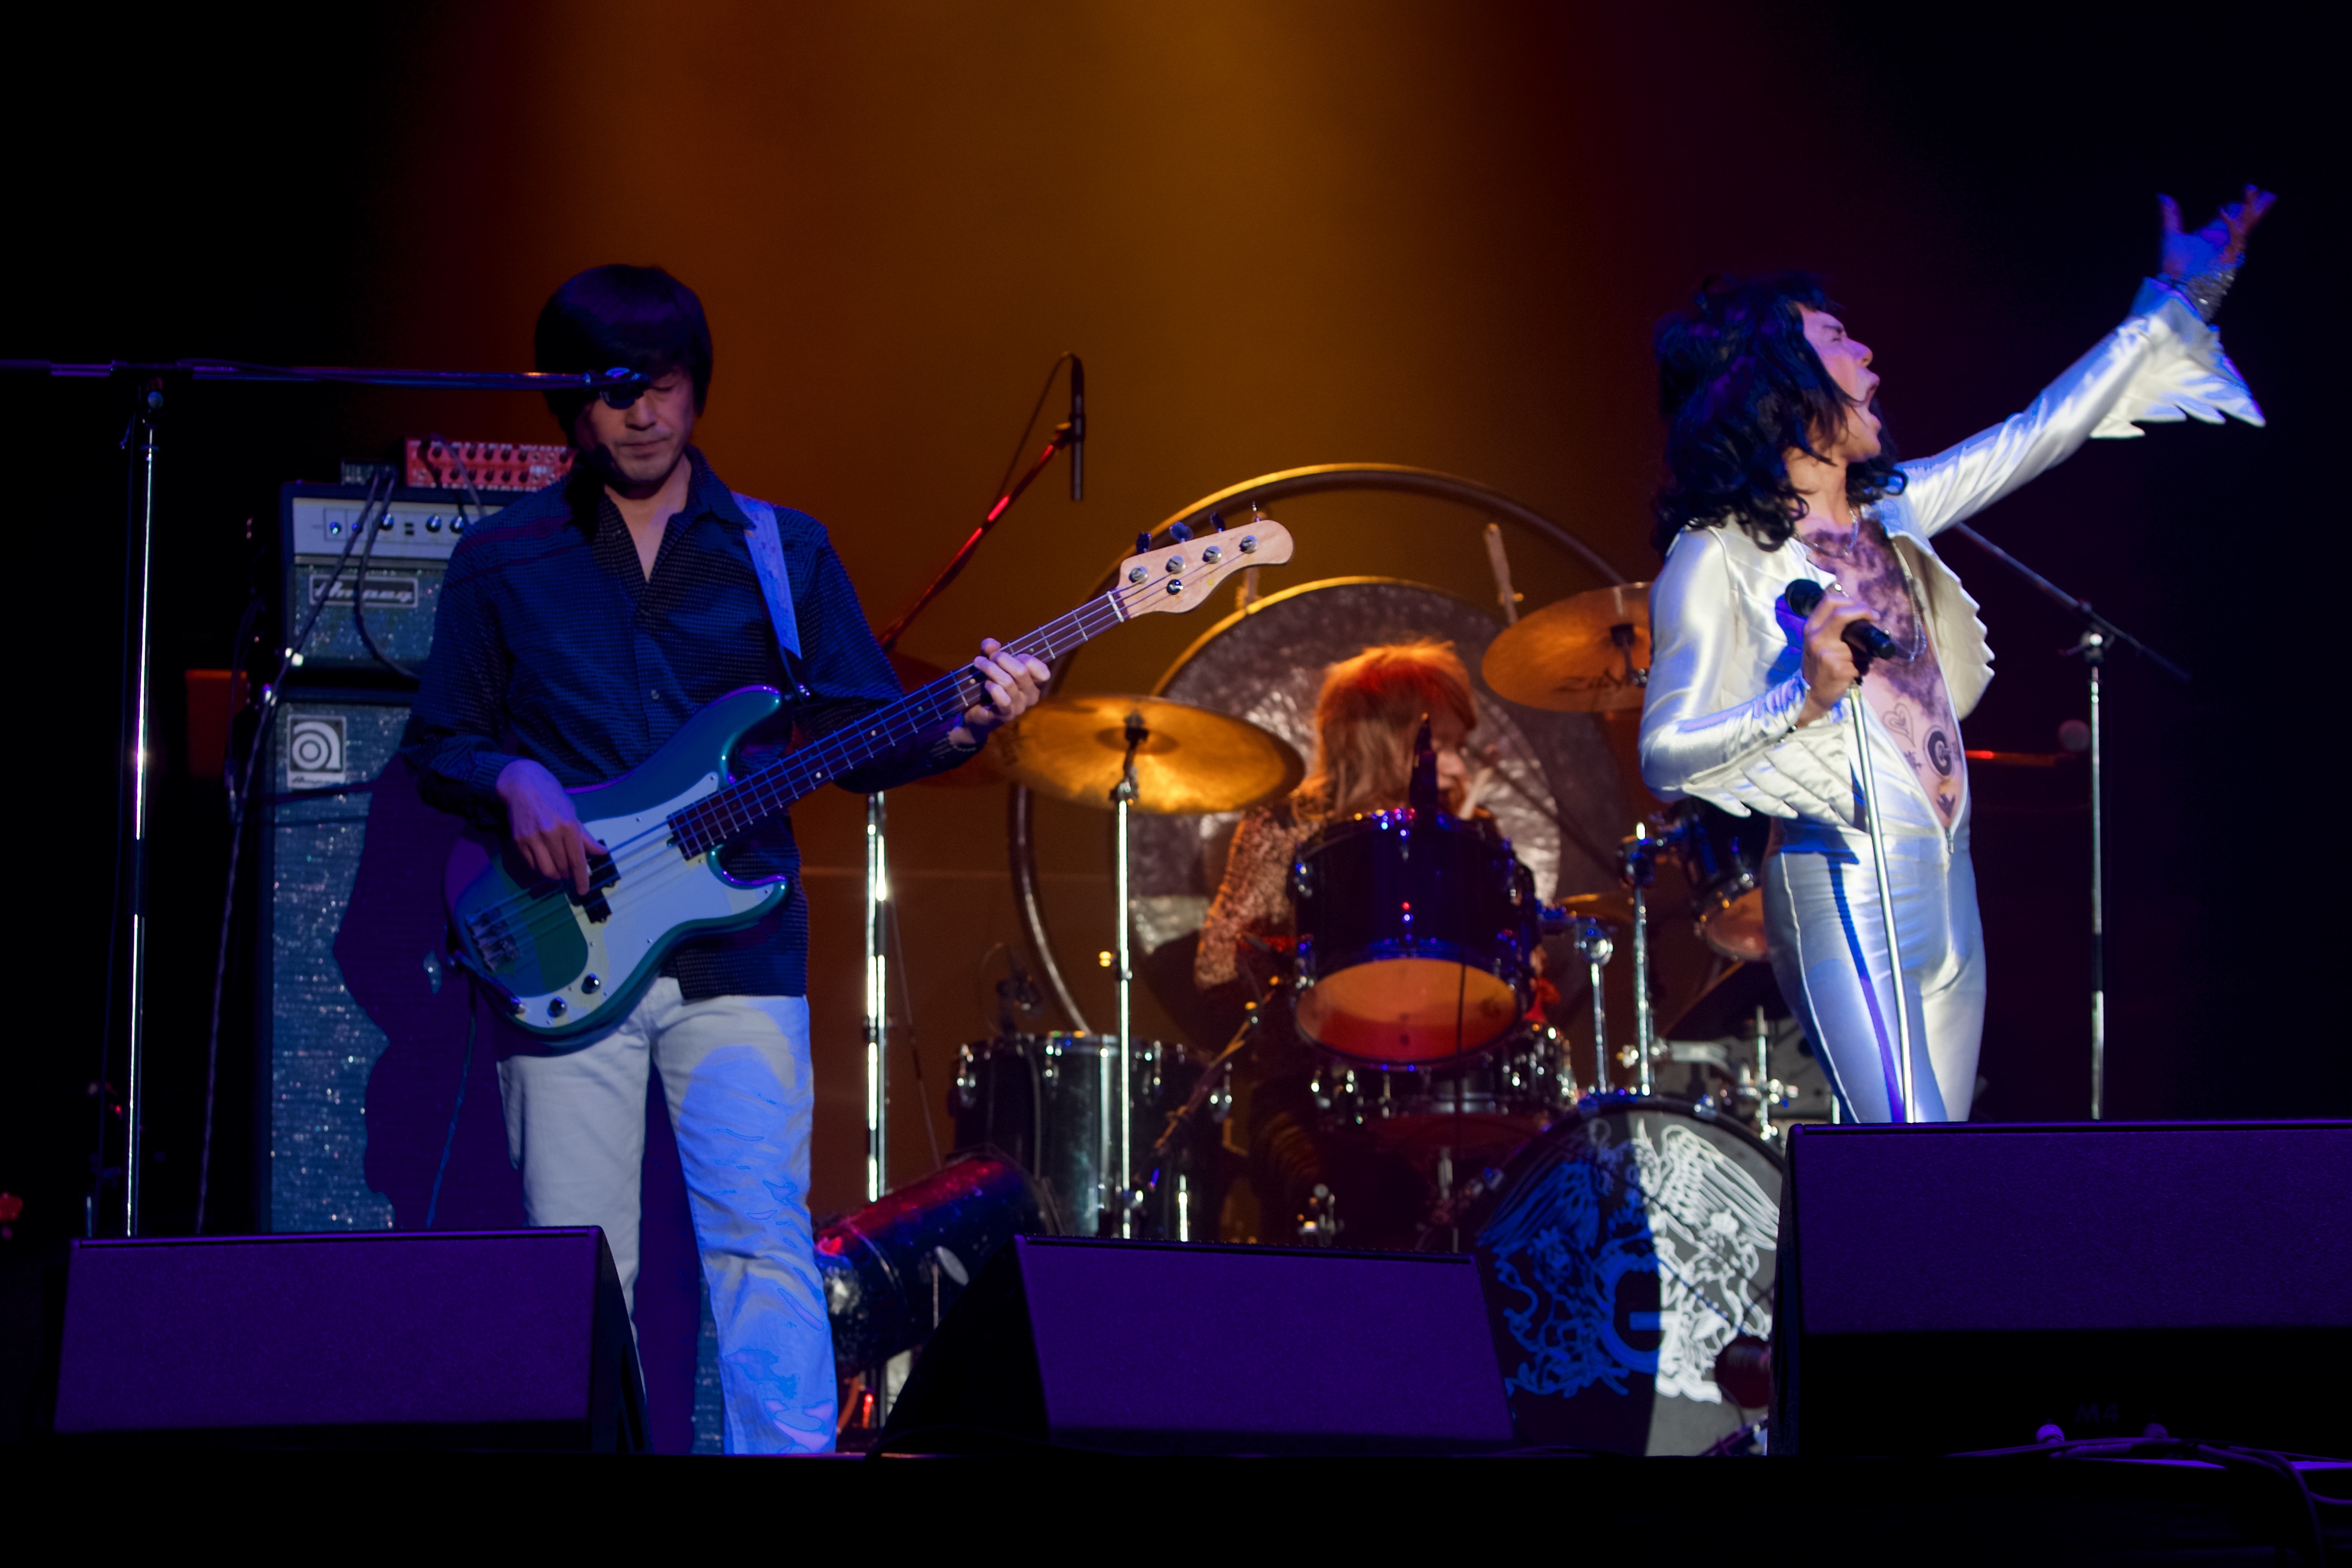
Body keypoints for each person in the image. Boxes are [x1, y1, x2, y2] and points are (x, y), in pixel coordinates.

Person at [400, 264, 1048, 1451]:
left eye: (665, 386)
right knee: (581, 1261)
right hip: (558, 942)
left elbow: (863, 734)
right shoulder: (501, 558)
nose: (643, 414)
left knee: (761, 1239)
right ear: (570, 405)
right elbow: (440, 739)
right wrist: (515, 776)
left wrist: (964, 722)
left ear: (698, 388)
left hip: (741, 953)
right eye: (615, 393)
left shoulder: (780, 548)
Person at [1639, 189, 2272, 1124]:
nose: (1867, 355)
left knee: (1937, 1172)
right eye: (1837, 339)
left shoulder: (1892, 511)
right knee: (1914, 1163)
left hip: (1949, 879)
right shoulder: (1715, 554)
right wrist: (1800, 699)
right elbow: (1664, 754)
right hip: (1842, 880)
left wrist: (2187, 295)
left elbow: (2042, 429)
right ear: (1781, 382)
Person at [1193, 641, 1509, 1247]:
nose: (1458, 769)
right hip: (1310, 1096)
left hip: (1445, 1093)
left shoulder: (1469, 830)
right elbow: (1214, 967)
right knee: (1349, 1200)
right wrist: (1313, 960)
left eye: (1459, 748)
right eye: (1442, 746)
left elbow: (1512, 963)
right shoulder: (1287, 827)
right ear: (1382, 740)